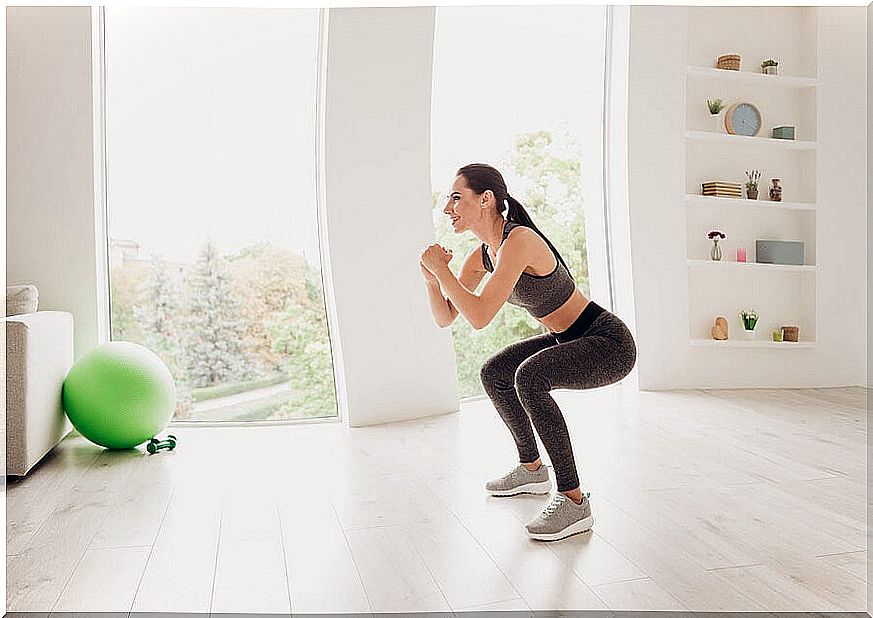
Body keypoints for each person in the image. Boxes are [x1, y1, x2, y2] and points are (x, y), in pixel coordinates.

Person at [419, 163, 637, 542]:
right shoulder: (483, 255)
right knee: (495, 373)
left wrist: (443, 272)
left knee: (529, 377)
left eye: (457, 197)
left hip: (606, 341)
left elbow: (481, 315)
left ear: (485, 199)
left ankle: (573, 501)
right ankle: (532, 468)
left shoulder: (519, 241)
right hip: (564, 339)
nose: (447, 208)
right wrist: (432, 279)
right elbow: (446, 317)